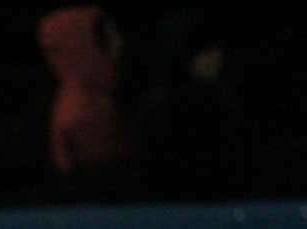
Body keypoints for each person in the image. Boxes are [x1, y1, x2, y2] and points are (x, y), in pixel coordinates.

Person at [131, 10, 248, 202]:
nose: (217, 57)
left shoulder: (222, 101)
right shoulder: (161, 109)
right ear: (184, 54)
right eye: (205, 51)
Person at [37, 5, 130, 201]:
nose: (119, 44)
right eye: (110, 37)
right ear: (88, 46)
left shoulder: (95, 96)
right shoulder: (84, 109)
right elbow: (106, 181)